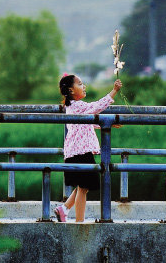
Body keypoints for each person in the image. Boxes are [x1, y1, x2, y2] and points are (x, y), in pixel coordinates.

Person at [54, 75, 122, 223]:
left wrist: (106, 124)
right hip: (80, 152)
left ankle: (64, 209)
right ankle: (79, 223)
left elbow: (86, 123)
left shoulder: (72, 107)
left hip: (76, 151)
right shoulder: (77, 106)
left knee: (82, 185)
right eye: (80, 84)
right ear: (71, 90)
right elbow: (96, 107)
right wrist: (114, 91)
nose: (84, 86)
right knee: (84, 188)